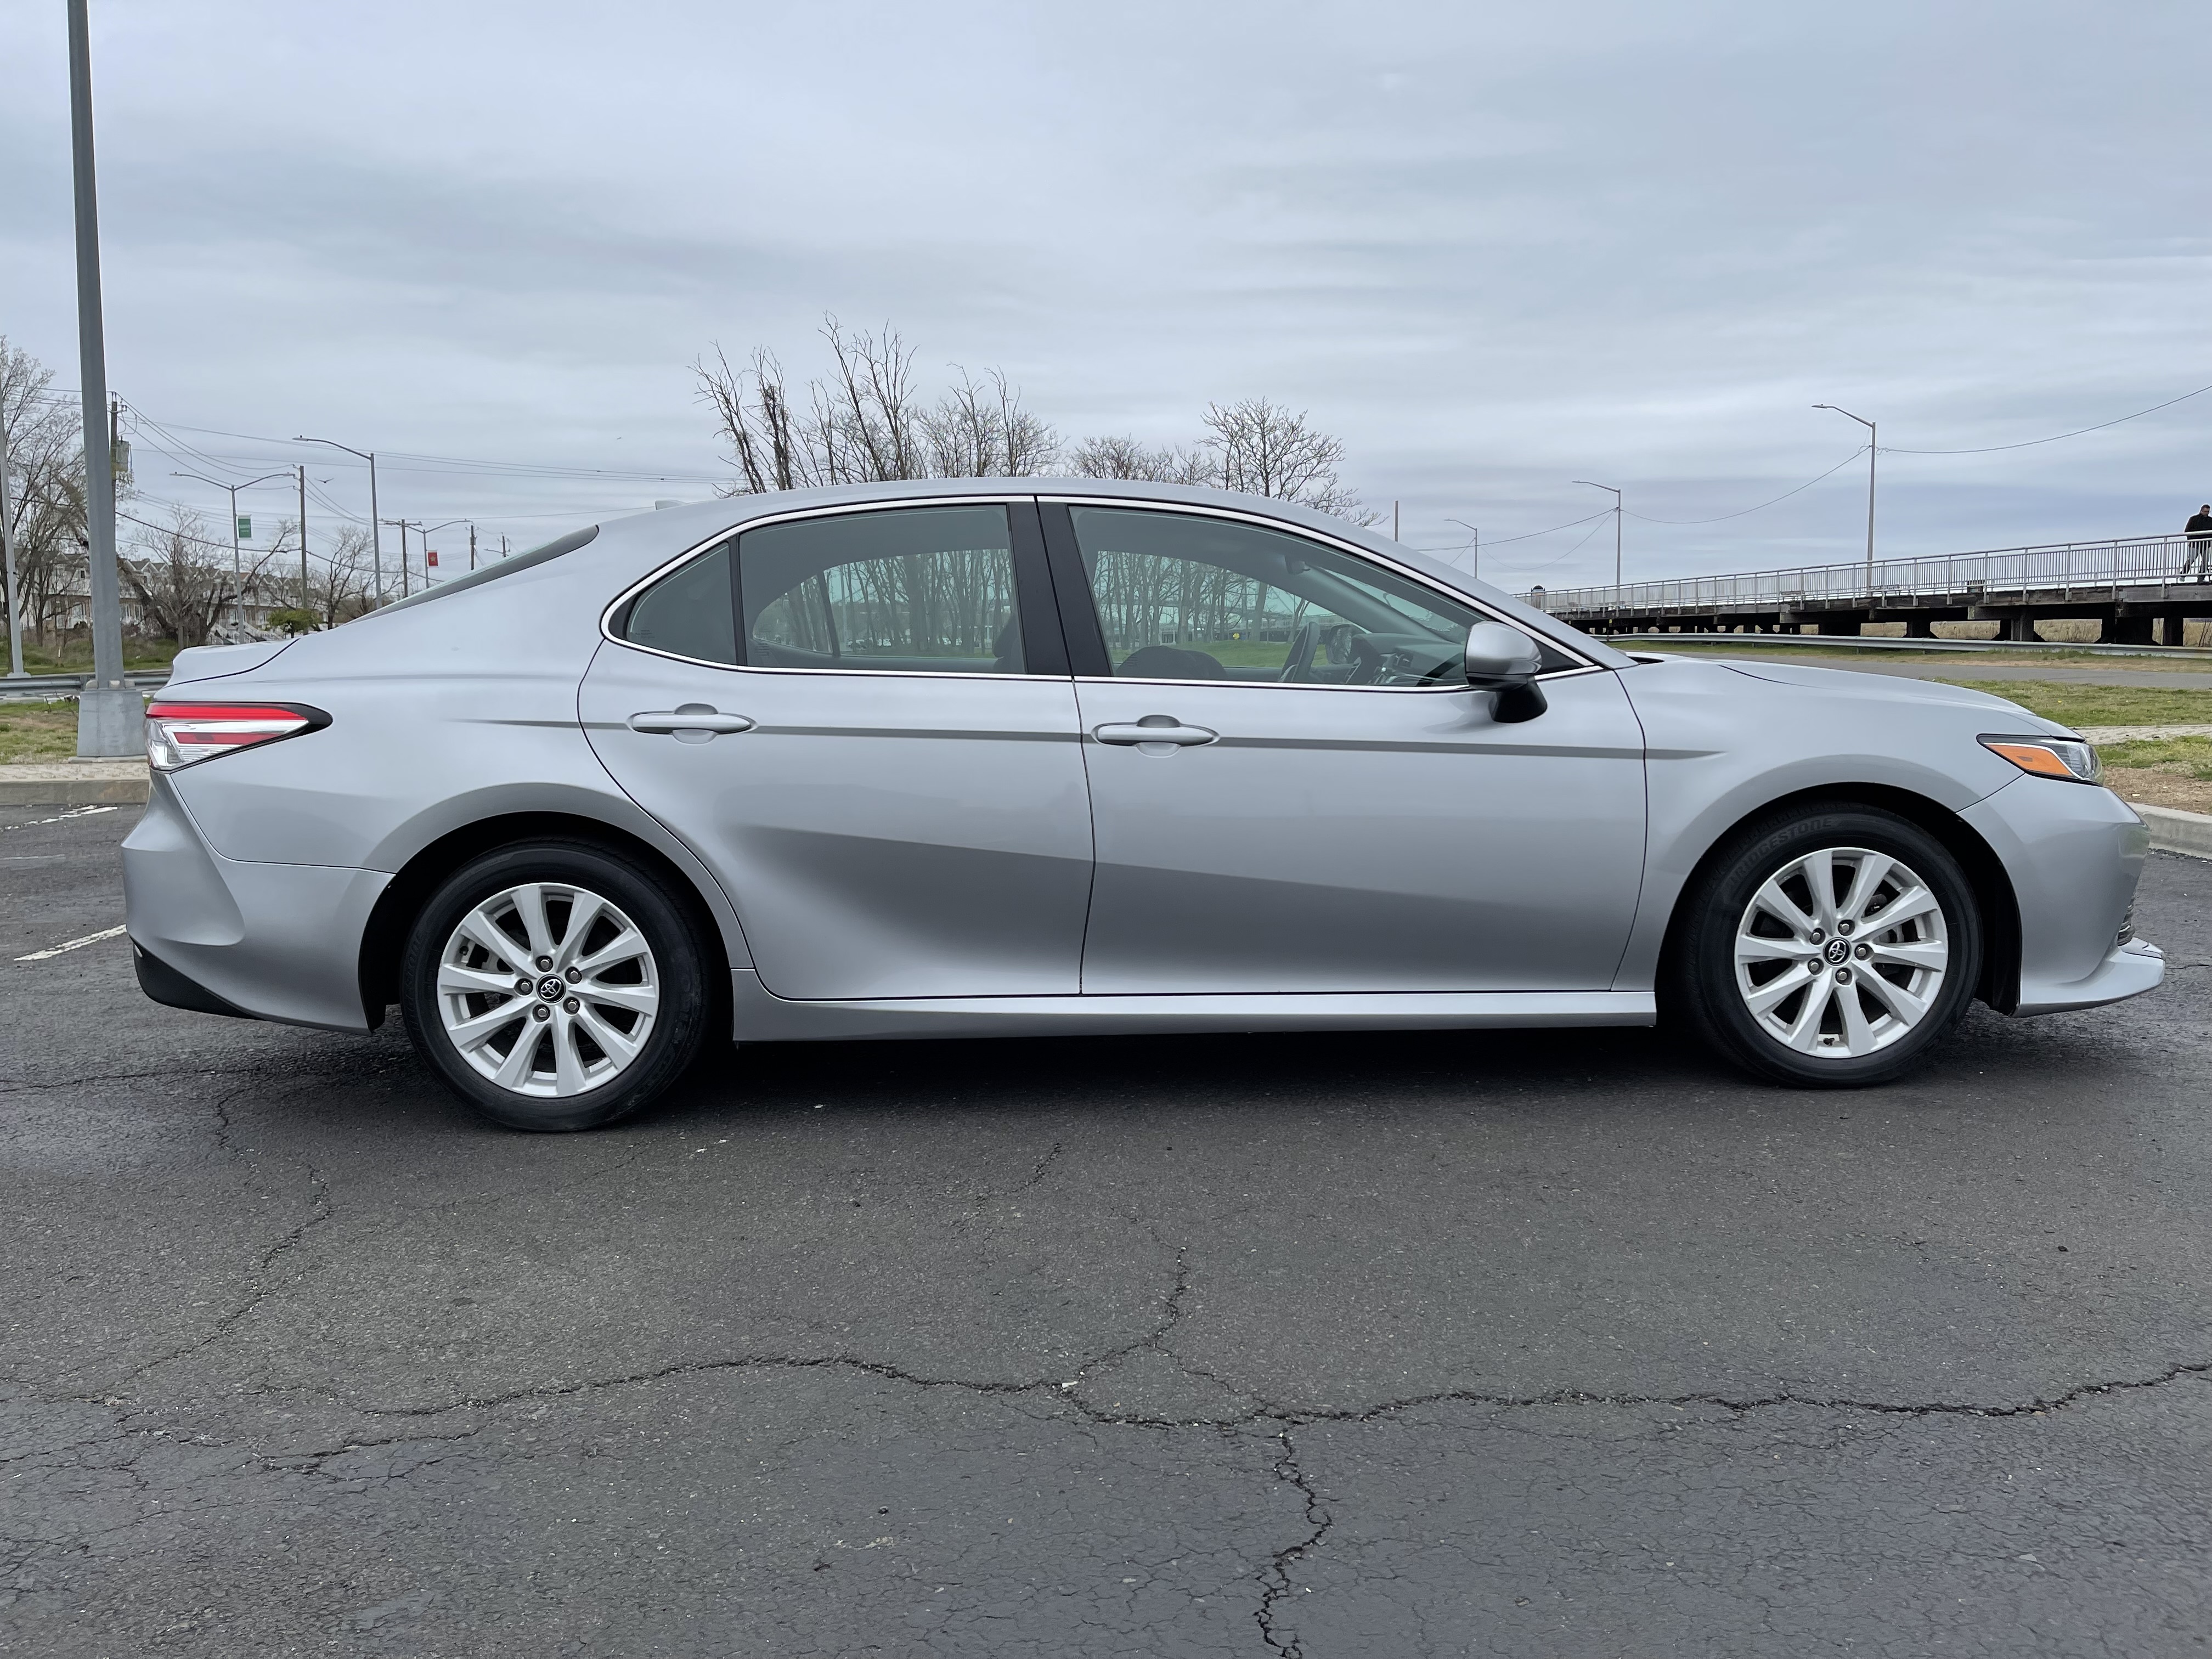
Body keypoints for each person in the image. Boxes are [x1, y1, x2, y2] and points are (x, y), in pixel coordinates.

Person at [2187, 504, 2212, 575]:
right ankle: (2183, 574)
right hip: (2195, 544)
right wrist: (2191, 541)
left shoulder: (2210, 521)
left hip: (2207, 544)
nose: (2206, 513)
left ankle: (2201, 577)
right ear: (2201, 511)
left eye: (2208, 512)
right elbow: (2188, 531)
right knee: (2191, 559)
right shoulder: (2194, 519)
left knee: (2205, 561)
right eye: (2205, 511)